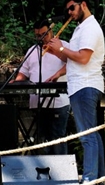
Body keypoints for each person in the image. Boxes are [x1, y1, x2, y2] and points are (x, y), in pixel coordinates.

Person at [46, 0, 105, 185]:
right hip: (81, 85)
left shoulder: (90, 28)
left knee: (87, 136)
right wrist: (57, 50)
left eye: (72, 8)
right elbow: (72, 57)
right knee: (92, 134)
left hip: (85, 85)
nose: (70, 13)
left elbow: (83, 58)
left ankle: (88, 181)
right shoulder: (82, 29)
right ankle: (98, 180)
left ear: (84, 5)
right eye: (68, 10)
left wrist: (62, 49)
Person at [12, 18, 70, 154]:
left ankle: (61, 173)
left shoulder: (64, 45)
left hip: (59, 101)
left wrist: (57, 74)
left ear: (51, 31)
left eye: (45, 34)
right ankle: (45, 172)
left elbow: (74, 65)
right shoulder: (32, 51)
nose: (42, 38)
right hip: (38, 102)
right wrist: (15, 82)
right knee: (42, 139)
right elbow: (23, 73)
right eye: (38, 35)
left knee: (57, 137)